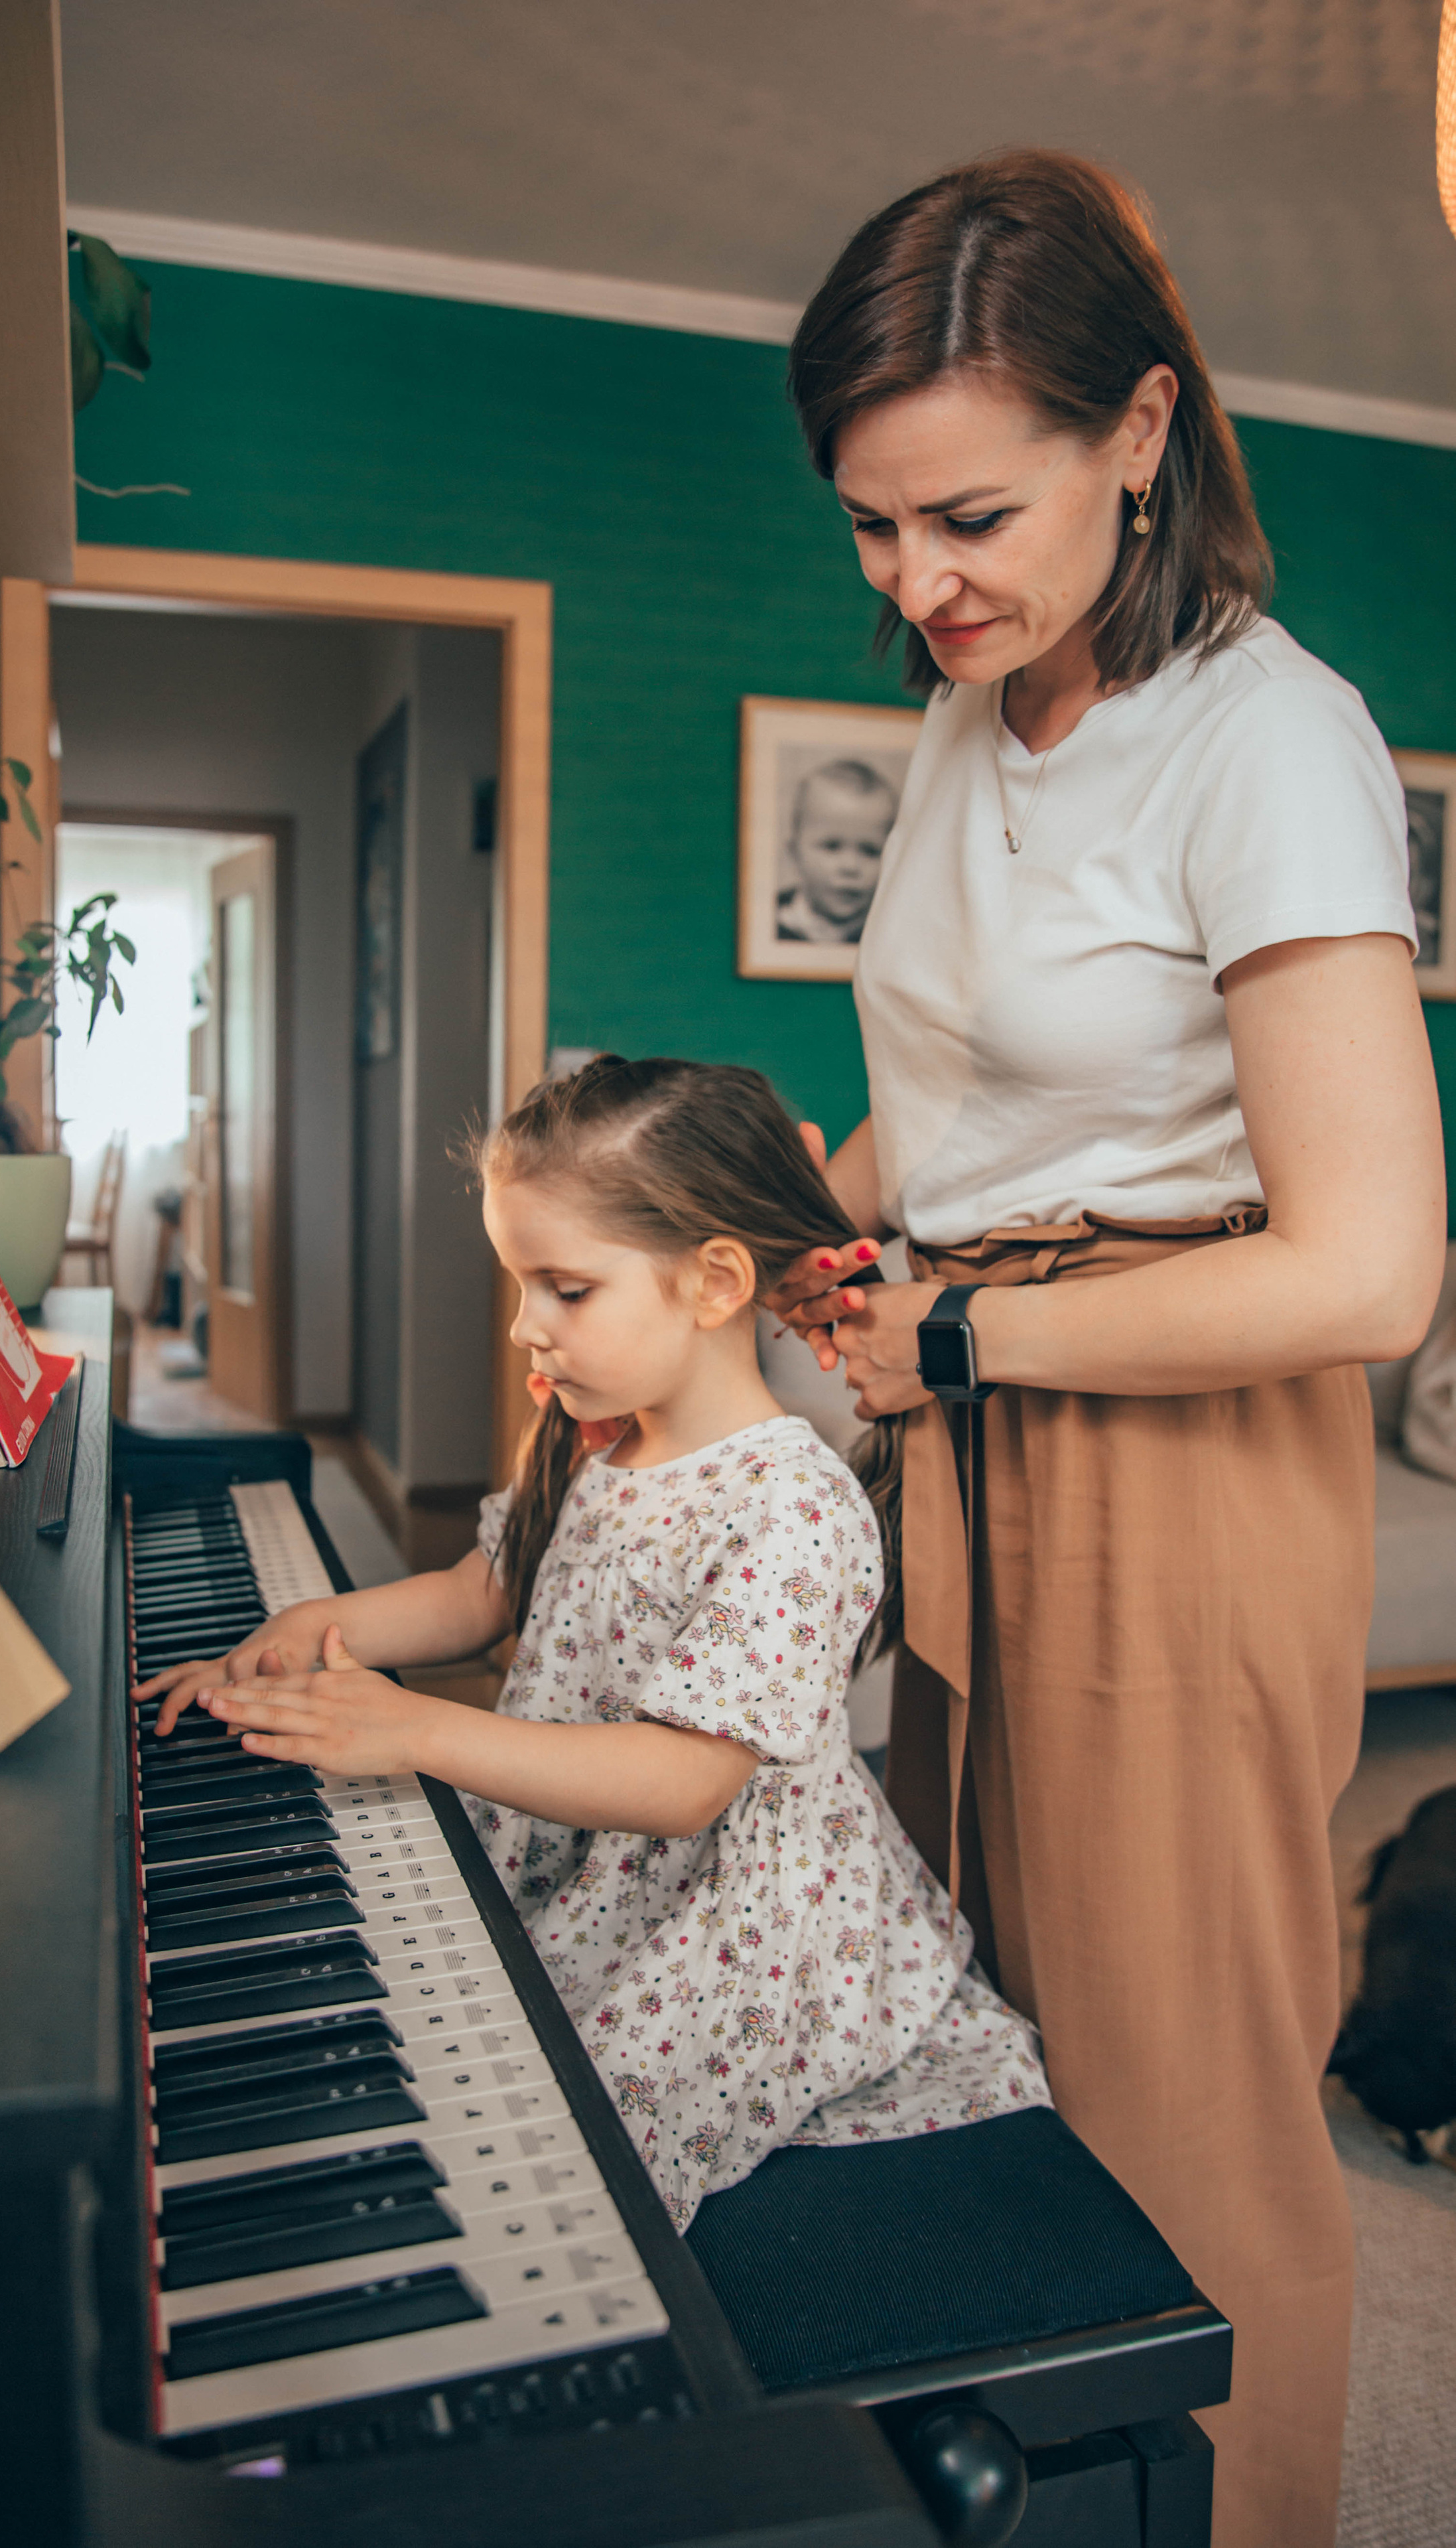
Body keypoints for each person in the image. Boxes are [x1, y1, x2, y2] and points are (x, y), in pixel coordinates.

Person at [765, 149, 1445, 2547]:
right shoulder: (977, 717)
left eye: (964, 515)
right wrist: (772, 1221)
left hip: (1170, 1450)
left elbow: (1366, 1273)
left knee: (1181, 2106)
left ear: (1137, 429)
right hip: (978, 1415)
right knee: (991, 2034)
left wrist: (955, 1336)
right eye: (871, 527)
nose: (913, 581)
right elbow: (963, 1104)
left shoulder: (1268, 740)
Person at [142, 1057, 1047, 2229]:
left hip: (721, 1925)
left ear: (714, 1282)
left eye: (564, 1289)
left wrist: (415, 1728)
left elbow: (682, 1784)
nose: (527, 1325)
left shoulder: (793, 1510)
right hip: (577, 1851)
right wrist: (317, 1628)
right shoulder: (599, 1434)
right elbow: (483, 1593)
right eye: (523, 1285)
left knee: (543, 2154)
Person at [776, 757, 899, 942]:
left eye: (870, 851)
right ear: (794, 853)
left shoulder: (893, 932)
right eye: (832, 846)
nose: (850, 867)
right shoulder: (768, 922)